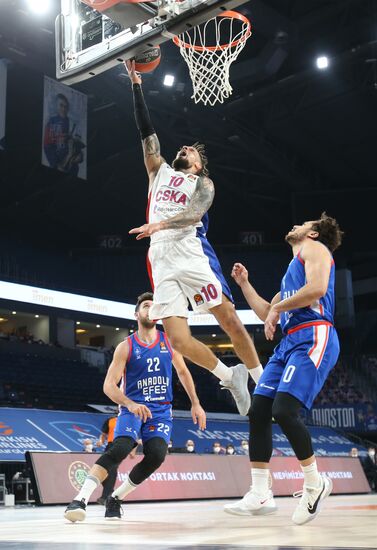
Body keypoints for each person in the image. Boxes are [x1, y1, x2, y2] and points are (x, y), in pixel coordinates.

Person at [125, 60, 262, 417]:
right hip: (161, 256)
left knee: (229, 319)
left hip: (190, 249)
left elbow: (195, 214)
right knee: (178, 340)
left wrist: (159, 224)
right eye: (186, 147)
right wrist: (136, 85)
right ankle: (229, 376)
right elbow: (146, 132)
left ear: (199, 165)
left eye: (194, 152)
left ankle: (261, 383)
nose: (187, 148)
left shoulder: (202, 183)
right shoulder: (158, 170)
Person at [224, 213, 343, 525]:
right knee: (259, 409)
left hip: (313, 334)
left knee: (285, 410)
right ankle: (261, 492)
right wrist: (245, 284)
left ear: (314, 234)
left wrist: (277, 309)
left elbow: (316, 289)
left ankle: (315, 483)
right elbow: (267, 311)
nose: (295, 225)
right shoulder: (291, 274)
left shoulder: (315, 251)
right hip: (288, 343)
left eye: (304, 224)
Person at [64, 292, 206, 522]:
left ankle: (115, 498)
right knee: (120, 449)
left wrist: (196, 403)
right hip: (133, 408)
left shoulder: (169, 342)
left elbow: (182, 371)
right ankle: (79, 500)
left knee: (157, 455)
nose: (150, 309)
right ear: (137, 314)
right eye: (146, 306)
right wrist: (130, 403)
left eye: (153, 306)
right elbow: (109, 386)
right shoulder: (126, 346)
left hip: (160, 411)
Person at [43, 93, 85, 177]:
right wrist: (55, 163)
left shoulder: (73, 123)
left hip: (72, 169)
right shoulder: (51, 122)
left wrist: (78, 156)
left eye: (66, 106)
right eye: (61, 105)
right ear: (56, 106)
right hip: (57, 166)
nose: (63, 108)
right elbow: (47, 145)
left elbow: (79, 151)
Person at [95, 415, 118, 505]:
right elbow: (104, 434)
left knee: (112, 469)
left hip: (121, 445)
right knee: (102, 468)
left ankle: (104, 497)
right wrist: (101, 441)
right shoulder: (110, 420)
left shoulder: (127, 419)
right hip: (110, 445)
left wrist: (132, 450)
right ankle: (111, 494)